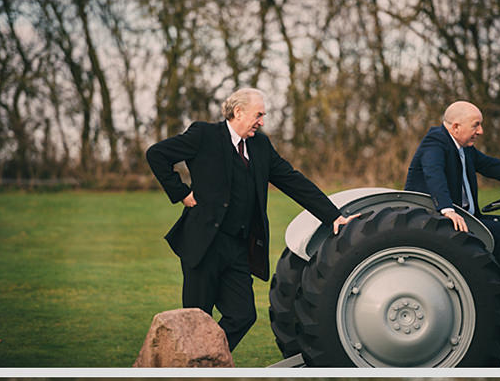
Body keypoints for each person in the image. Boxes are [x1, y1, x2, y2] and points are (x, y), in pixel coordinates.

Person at [146, 87, 355, 351]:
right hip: (203, 244)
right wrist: (181, 193)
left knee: (243, 315)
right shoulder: (204, 135)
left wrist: (332, 216)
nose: (262, 122)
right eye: (259, 115)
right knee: (196, 319)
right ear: (238, 112)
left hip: (238, 248)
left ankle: (209, 357)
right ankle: (198, 364)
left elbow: (292, 181)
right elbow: (157, 154)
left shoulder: (260, 145)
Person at [405, 101, 500, 322]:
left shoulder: (464, 148)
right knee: (499, 232)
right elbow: (433, 173)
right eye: (476, 125)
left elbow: (493, 166)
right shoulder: (435, 142)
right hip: (435, 219)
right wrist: (447, 209)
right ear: (456, 127)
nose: (481, 131)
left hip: (465, 216)